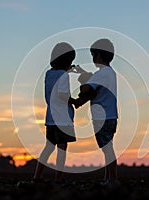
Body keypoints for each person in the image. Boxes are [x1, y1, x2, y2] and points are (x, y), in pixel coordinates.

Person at [74, 38, 118, 185]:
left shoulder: (102, 73)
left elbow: (87, 89)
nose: (93, 59)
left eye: (93, 55)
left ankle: (112, 179)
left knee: (107, 149)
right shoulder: (109, 72)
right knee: (108, 147)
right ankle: (108, 178)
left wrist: (82, 86)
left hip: (102, 117)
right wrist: (83, 73)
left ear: (98, 55)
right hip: (111, 116)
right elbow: (95, 85)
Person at [33, 42, 77, 183]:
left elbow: (55, 84)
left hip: (50, 118)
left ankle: (37, 176)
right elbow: (63, 94)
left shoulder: (49, 73)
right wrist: (74, 101)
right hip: (63, 119)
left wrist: (67, 71)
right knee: (62, 149)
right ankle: (59, 178)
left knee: (48, 147)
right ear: (67, 61)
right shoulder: (64, 75)